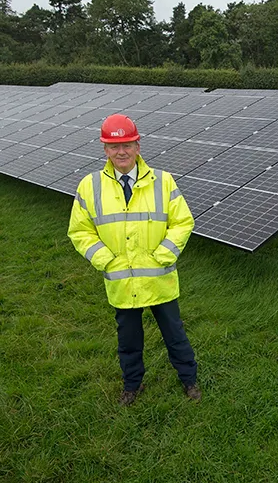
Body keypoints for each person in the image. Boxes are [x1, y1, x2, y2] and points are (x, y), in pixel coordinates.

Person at [68, 113, 201, 406]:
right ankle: (132, 385)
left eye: (127, 144)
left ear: (138, 146)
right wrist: (105, 259)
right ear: (105, 150)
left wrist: (162, 255)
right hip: (122, 282)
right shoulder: (89, 186)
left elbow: (183, 222)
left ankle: (189, 381)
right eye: (114, 146)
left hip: (159, 279)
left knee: (175, 334)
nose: (121, 152)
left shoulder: (163, 182)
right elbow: (79, 230)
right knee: (128, 342)